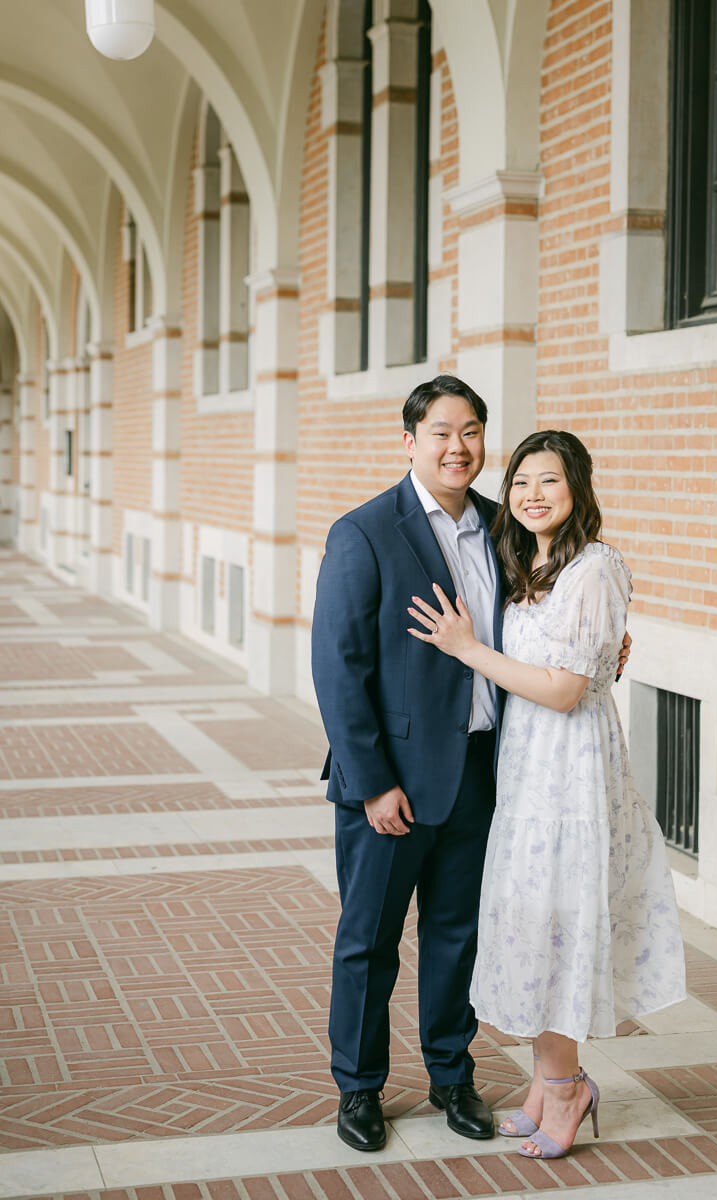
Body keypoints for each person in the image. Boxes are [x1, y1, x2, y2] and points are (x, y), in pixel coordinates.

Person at [408, 429, 686, 1161]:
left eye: (550, 482)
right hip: (527, 773)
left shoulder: (592, 569)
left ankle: (567, 1089)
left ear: (579, 489)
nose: (532, 495)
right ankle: (547, 1082)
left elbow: (564, 690)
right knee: (533, 926)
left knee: (557, 928)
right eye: (523, 480)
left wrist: (470, 650)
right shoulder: (529, 561)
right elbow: (578, 664)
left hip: (569, 780)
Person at [311, 375, 502, 1151]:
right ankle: (359, 1089)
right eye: (442, 433)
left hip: (482, 770)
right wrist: (372, 783)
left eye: (472, 432)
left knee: (457, 935)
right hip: (392, 784)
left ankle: (452, 1076)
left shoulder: (501, 527)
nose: (458, 448)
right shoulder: (364, 531)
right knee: (370, 939)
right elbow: (338, 667)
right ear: (411, 442)